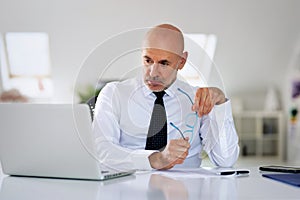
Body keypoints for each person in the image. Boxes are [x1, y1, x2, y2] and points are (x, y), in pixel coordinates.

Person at [92, 24, 239, 170]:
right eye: (148, 60)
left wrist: (220, 104)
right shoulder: (114, 94)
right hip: (128, 187)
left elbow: (225, 160)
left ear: (181, 61)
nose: (153, 73)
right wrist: (156, 159)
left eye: (164, 63)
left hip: (186, 189)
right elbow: (101, 152)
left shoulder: (198, 100)